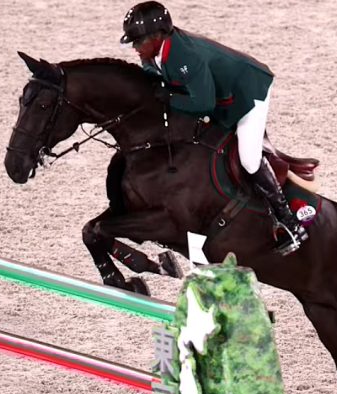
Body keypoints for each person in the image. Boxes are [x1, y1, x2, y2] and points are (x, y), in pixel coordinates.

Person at [120, 1, 307, 255]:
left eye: (138, 41)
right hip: (222, 94)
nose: (135, 48)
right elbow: (154, 79)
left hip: (249, 91)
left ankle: (288, 222)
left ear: (157, 37)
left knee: (249, 159)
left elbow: (203, 103)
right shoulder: (153, 55)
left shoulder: (185, 56)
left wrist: (171, 98)